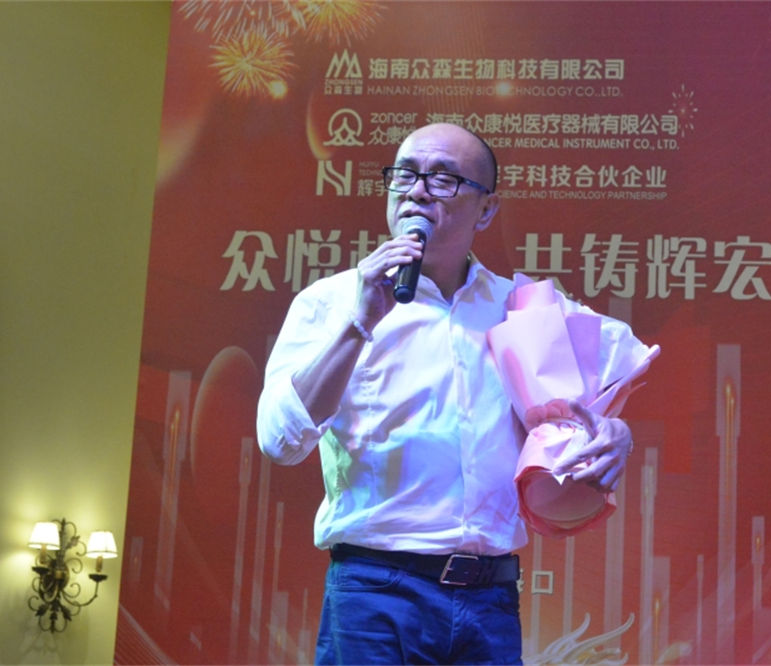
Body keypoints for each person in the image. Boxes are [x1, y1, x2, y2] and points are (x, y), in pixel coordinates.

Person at [257, 123, 645, 665]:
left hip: (489, 598)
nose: (417, 191)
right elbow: (280, 440)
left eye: (443, 179)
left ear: (486, 210)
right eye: (405, 175)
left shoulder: (521, 307)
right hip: (375, 592)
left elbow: (608, 382)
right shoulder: (331, 302)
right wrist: (359, 324)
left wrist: (618, 433)